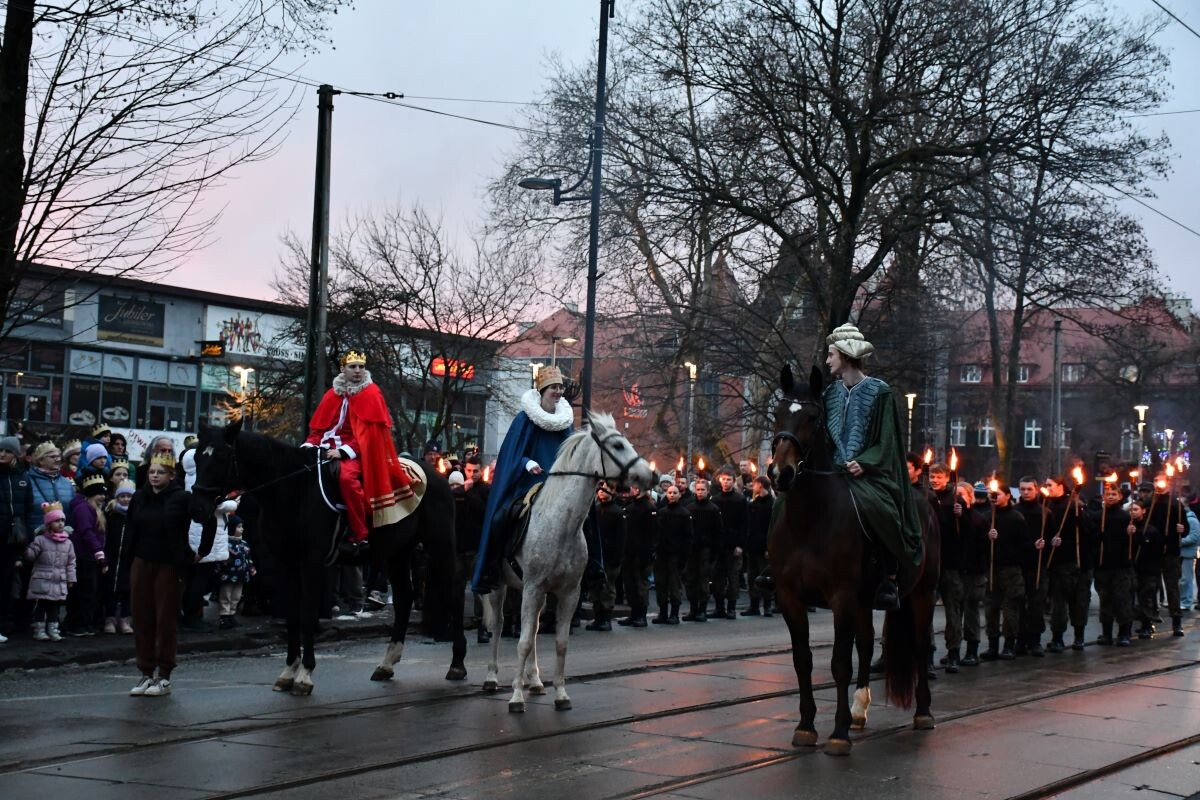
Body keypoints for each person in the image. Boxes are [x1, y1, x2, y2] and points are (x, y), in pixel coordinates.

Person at [822, 323, 923, 610]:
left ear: (845, 355)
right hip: (833, 472)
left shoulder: (880, 392)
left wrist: (864, 463)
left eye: (831, 354)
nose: (828, 360)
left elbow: (887, 440)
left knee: (883, 510)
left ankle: (889, 576)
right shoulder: (830, 394)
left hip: (869, 474)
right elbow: (824, 437)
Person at [302, 349, 418, 559]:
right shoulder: (331, 394)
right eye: (352, 366)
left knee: (347, 478)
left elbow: (368, 436)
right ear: (342, 369)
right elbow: (318, 430)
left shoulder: (371, 393)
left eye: (361, 367)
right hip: (323, 449)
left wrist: (343, 452)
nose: (357, 371)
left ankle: (359, 533)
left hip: (355, 453)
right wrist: (309, 445)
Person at [472, 365, 573, 593]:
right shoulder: (524, 420)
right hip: (529, 484)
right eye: (553, 387)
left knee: (582, 517)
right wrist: (527, 463)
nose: (557, 391)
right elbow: (511, 453)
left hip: (559, 484)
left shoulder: (565, 422)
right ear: (543, 390)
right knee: (501, 517)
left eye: (560, 387)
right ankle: (493, 566)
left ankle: (589, 570)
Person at [126, 452, 206, 697]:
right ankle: (145, 673)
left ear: (172, 475)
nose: (154, 476)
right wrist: (125, 564)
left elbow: (207, 519)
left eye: (160, 472)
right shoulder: (139, 498)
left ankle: (164, 675)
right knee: (142, 618)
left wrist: (201, 551)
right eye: (151, 472)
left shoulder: (182, 498)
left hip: (170, 565)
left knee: (165, 620)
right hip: (142, 561)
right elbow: (130, 531)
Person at [982, 481, 1035, 661]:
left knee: (1010, 607)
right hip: (991, 568)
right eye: (992, 494)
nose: (994, 497)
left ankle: (1009, 644)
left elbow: (1025, 544)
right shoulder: (987, 517)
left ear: (1007, 496)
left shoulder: (1016, 518)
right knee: (991, 608)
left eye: (998, 494)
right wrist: (987, 537)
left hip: (1011, 569)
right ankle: (992, 644)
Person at [23, 502, 76, 642]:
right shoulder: (40, 540)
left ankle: (53, 629)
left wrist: (71, 578)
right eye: (56, 521)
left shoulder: (68, 542)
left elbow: (71, 562)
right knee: (41, 605)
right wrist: (27, 547)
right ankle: (39, 629)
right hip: (42, 579)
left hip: (59, 580)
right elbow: (30, 556)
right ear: (48, 524)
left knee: (54, 607)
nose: (60, 523)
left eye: (62, 520)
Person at [1089, 481, 1134, 646]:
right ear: (1103, 497)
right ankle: (1106, 633)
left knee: (1122, 599)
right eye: (1108, 494)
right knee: (1105, 600)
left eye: (1114, 494)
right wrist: (1097, 536)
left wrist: (1131, 534)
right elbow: (1090, 539)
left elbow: (1133, 543)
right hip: (1103, 565)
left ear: (1120, 497)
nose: (1110, 497)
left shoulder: (1126, 517)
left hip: (1121, 566)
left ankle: (1124, 633)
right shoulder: (1097, 516)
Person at [63, 474, 108, 637]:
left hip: (90, 556)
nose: (102, 497)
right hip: (83, 556)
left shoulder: (95, 508)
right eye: (99, 493)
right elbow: (86, 531)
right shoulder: (83, 509)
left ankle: (84, 623)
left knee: (89, 592)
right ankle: (77, 624)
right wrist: (98, 551)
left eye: (103, 493)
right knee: (83, 592)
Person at [0, 436, 34, 642]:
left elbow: (28, 510)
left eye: (7, 451)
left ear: (15, 454)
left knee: (6, 584)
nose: (2, 454)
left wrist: (24, 538)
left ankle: (2, 626)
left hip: (13, 540)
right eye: (0, 451)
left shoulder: (23, 477)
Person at [1014, 477, 1049, 656]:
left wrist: (1049, 543)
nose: (1026, 492)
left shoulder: (1044, 512)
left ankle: (1035, 640)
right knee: (1018, 604)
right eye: (1023, 489)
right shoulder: (1015, 511)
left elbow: (1051, 536)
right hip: (1018, 565)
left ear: (1036, 489)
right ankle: (1019, 639)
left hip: (1038, 565)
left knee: (1036, 604)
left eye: (1029, 489)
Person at [617, 483, 657, 628]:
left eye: (634, 487)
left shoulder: (649, 508)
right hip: (629, 552)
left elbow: (652, 533)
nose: (631, 490)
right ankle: (633, 614)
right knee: (630, 585)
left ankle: (641, 615)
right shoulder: (629, 507)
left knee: (641, 585)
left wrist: (650, 552)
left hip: (642, 554)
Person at [711, 466, 748, 619]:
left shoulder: (740, 500)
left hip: (733, 545)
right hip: (718, 545)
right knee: (717, 577)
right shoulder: (715, 499)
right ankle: (719, 607)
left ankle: (731, 607)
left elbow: (745, 524)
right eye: (723, 479)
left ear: (733, 481)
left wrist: (740, 545)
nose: (726, 482)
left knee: (733, 577)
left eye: (729, 480)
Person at [588, 482, 625, 631]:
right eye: (600, 490)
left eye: (605, 490)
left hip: (610, 557)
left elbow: (621, 538)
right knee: (595, 588)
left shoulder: (617, 512)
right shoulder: (596, 510)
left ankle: (606, 618)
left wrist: (617, 558)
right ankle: (598, 617)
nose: (602, 493)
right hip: (596, 556)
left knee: (607, 588)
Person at [683, 478, 721, 622]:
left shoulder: (713, 509)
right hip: (692, 550)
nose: (699, 492)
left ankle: (702, 610)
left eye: (702, 490)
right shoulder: (690, 508)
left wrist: (713, 553)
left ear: (707, 491)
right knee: (691, 579)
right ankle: (693, 609)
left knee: (703, 580)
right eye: (697, 489)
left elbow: (717, 532)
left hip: (706, 549)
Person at [653, 483, 691, 624]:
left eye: (675, 493)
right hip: (662, 554)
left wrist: (683, 558)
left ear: (679, 495)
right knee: (660, 583)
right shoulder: (661, 512)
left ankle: (674, 613)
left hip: (675, 554)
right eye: (669, 493)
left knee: (674, 584)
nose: (672, 495)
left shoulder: (684, 514)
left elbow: (688, 537)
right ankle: (662, 612)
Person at [102, 480, 136, 634]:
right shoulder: (111, 514)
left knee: (128, 590)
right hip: (113, 557)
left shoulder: (135, 515)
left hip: (130, 558)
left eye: (129, 496)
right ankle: (110, 618)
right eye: (122, 496)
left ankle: (125, 619)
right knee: (111, 589)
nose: (126, 499)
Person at [1131, 498, 1164, 639]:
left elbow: (1157, 550)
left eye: (1136, 509)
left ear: (1143, 511)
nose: (1132, 512)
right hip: (1133, 567)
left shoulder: (1151, 530)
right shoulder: (1128, 528)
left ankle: (1146, 625)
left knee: (1146, 598)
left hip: (1147, 569)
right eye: (1131, 510)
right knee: (1132, 596)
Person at [743, 475, 775, 617]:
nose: (753, 487)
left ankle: (767, 605)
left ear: (760, 485)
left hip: (764, 547)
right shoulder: (752, 504)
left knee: (765, 576)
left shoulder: (772, 504)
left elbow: (772, 527)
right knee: (752, 576)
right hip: (752, 546)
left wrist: (769, 547)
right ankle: (754, 605)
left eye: (754, 485)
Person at [217, 515, 255, 629]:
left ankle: (231, 614)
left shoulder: (243, 544)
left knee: (236, 596)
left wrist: (251, 569)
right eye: (238, 527)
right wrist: (220, 570)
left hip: (241, 576)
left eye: (242, 527)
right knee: (226, 595)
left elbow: (248, 558)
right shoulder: (225, 544)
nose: (241, 529)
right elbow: (221, 561)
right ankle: (224, 616)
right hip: (228, 576)